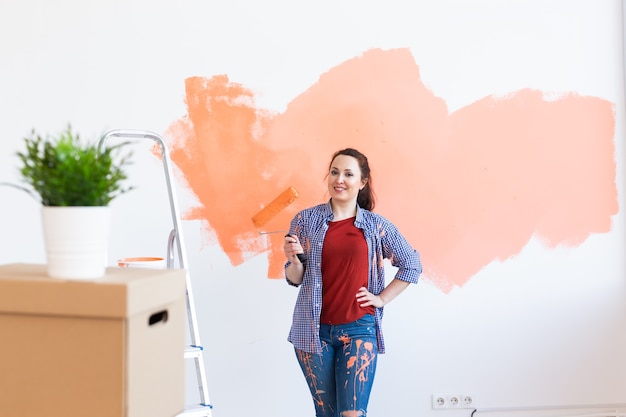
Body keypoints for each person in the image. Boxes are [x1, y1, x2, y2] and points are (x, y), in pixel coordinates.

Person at [283, 148, 422, 417]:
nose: (339, 179)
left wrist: (381, 299)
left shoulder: (375, 226)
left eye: (348, 174)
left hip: (359, 330)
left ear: (362, 182)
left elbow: (412, 263)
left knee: (352, 414)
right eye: (334, 172)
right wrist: (295, 261)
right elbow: (294, 278)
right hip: (313, 333)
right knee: (327, 414)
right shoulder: (305, 220)